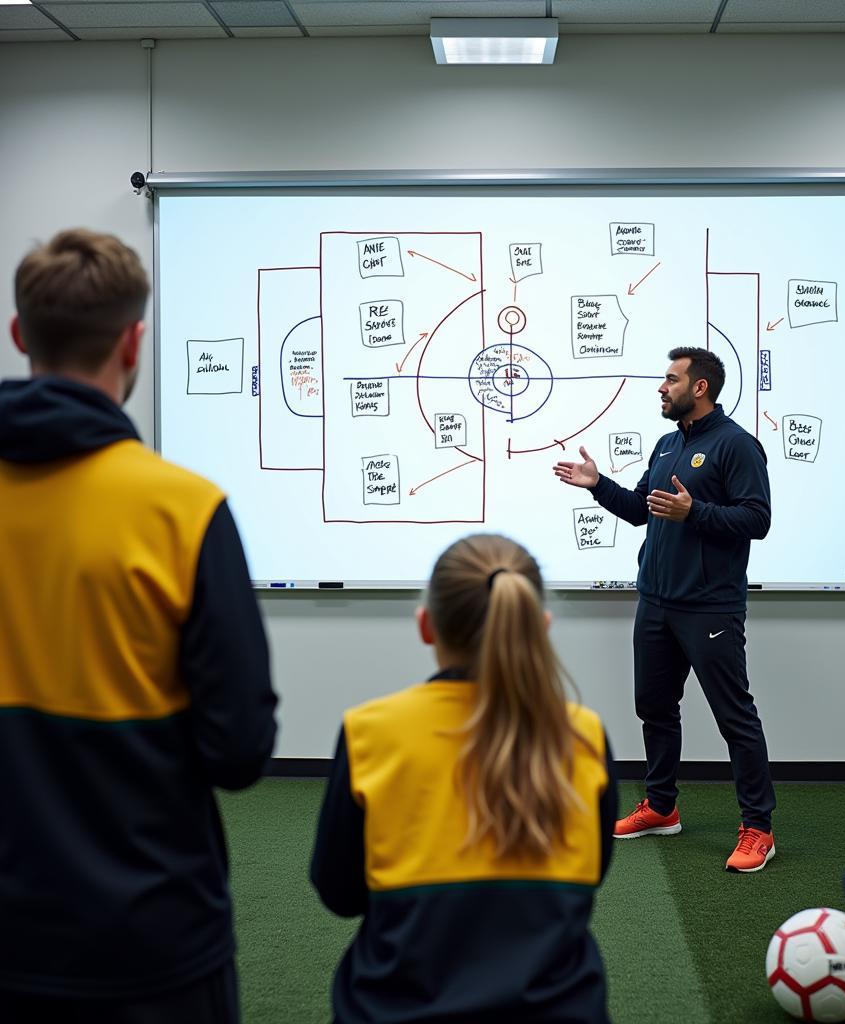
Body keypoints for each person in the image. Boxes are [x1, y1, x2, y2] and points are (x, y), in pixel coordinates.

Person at [0, 229, 278, 1022]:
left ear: (21, 335)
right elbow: (240, 751)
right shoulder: (181, 511)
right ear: (134, 341)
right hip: (151, 944)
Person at [311, 533, 617, 1024]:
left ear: (426, 626)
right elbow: (592, 875)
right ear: (539, 626)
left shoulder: (369, 733)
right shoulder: (583, 736)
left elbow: (339, 893)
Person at [554, 346, 775, 872]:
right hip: (655, 602)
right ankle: (660, 807)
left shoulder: (737, 446)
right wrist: (597, 485)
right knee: (654, 707)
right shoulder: (665, 445)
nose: (662, 387)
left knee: (734, 718)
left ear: (699, 388)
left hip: (710, 607)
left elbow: (757, 519)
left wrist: (694, 510)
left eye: (671, 379)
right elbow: (639, 512)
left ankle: (759, 828)